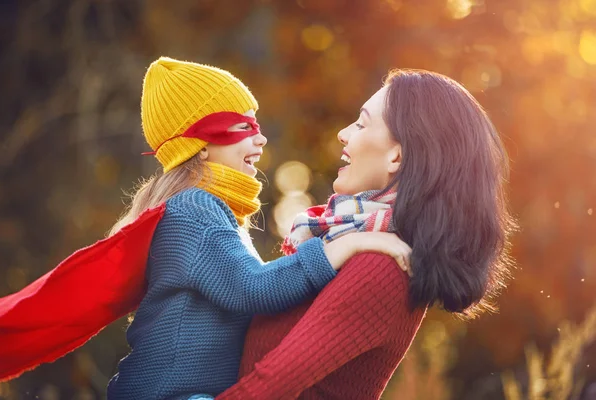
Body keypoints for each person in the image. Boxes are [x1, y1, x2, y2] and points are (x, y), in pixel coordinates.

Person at [0, 57, 414, 398]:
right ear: (200, 141)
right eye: (243, 126)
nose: (261, 139)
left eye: (258, 124)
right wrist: (349, 244)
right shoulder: (194, 209)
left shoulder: (216, 214)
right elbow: (255, 288)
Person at [216, 69, 516, 399]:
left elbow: (267, 387)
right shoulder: (353, 246)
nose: (344, 134)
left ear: (396, 156)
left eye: (361, 123)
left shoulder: (381, 268)